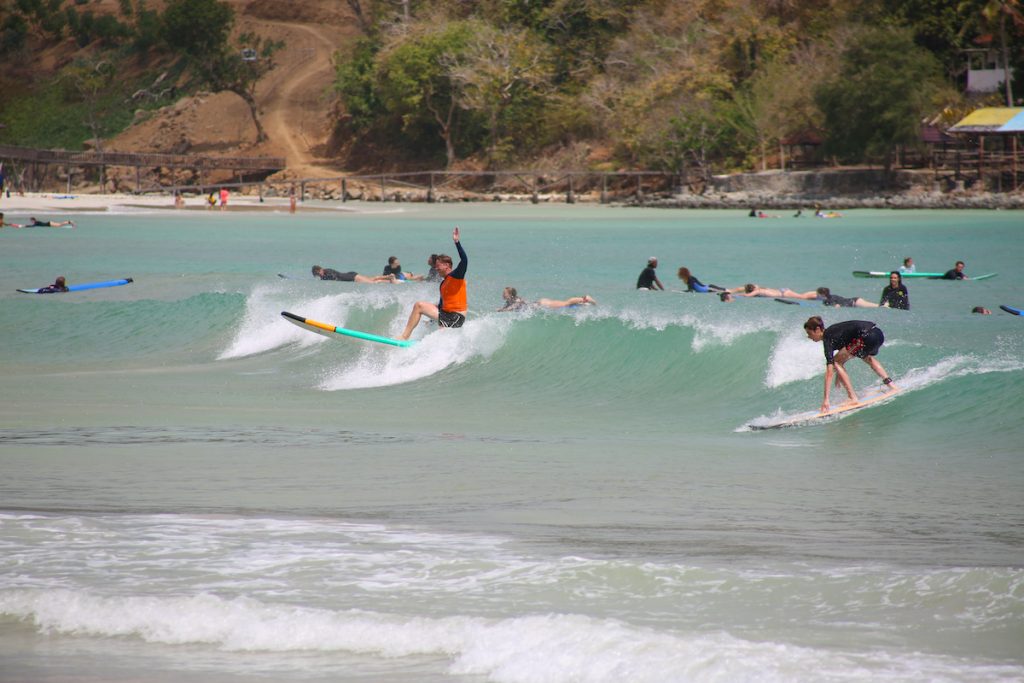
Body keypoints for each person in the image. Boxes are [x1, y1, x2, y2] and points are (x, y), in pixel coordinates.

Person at [803, 316, 897, 413]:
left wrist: (826, 400)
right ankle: (891, 385)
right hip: (877, 334)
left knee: (836, 362)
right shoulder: (834, 332)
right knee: (866, 357)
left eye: (809, 333)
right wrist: (838, 376)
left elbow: (829, 372)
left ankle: (852, 398)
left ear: (818, 329)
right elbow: (844, 354)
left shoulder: (828, 338)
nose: (809, 337)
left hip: (865, 337)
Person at [398, 227, 467, 340]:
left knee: (419, 305)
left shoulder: (456, 276)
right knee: (440, 336)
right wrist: (430, 322)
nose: (436, 268)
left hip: (456, 317)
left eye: (438, 265)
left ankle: (404, 337)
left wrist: (457, 242)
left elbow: (464, 260)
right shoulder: (443, 284)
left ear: (447, 265)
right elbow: (441, 306)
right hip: (449, 318)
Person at [311, 265, 395, 283]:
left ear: (320, 269)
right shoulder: (326, 273)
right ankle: (389, 277)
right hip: (350, 274)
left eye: (319, 273)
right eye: (318, 275)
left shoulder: (327, 272)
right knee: (371, 279)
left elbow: (335, 277)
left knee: (373, 282)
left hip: (351, 277)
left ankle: (390, 281)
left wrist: (324, 278)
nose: (320, 275)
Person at [814, 287, 879, 308]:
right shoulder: (831, 297)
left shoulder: (828, 300)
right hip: (855, 300)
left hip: (855, 302)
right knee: (875, 305)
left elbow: (837, 306)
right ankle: (885, 305)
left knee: (875, 306)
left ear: (822, 295)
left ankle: (885, 305)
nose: (816, 296)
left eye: (817, 294)